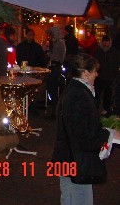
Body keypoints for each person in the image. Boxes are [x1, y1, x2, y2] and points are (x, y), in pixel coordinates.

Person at [51, 54, 120, 205]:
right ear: (85, 73)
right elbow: (83, 133)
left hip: (70, 158)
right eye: (95, 71)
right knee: (78, 198)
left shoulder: (75, 90)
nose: (97, 74)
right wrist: (109, 134)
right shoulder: (79, 95)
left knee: (70, 197)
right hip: (76, 160)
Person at [93, 36, 120, 116]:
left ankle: (106, 109)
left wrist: (114, 73)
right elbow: (95, 61)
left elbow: (116, 63)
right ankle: (95, 109)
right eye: (104, 41)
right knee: (97, 93)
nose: (106, 43)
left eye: (107, 41)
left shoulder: (114, 51)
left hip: (109, 76)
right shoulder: (98, 50)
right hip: (99, 76)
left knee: (108, 94)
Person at [45, 26, 66, 118]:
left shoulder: (59, 43)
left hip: (55, 68)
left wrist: (47, 51)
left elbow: (55, 57)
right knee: (51, 87)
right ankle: (53, 108)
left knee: (52, 88)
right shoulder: (58, 43)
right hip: (55, 67)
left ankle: (54, 109)